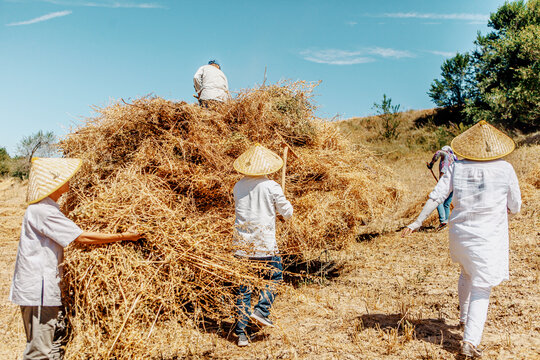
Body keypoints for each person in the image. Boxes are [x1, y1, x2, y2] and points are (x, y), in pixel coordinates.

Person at [401, 121, 521, 358]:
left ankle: (465, 320)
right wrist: (504, 209)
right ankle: (470, 341)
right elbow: (515, 206)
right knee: (482, 287)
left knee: (467, 272)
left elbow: (437, 196)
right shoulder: (505, 169)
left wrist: (416, 222)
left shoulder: (458, 167)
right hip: (487, 239)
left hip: (460, 236)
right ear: (494, 148)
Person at [9, 157, 142, 360]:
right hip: (38, 291)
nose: (69, 180)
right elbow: (82, 237)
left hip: (42, 289)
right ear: (54, 183)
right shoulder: (43, 211)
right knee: (38, 352)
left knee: (50, 346)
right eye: (64, 178)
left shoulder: (47, 209)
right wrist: (124, 236)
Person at [232, 144, 293, 347]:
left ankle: (241, 334)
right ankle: (261, 310)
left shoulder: (238, 186)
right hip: (264, 245)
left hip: (241, 246)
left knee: (244, 288)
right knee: (275, 278)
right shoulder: (272, 186)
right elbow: (287, 211)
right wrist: (282, 213)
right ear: (267, 166)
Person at [427, 145, 458, 231]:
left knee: (438, 200)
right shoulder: (455, 157)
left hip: (445, 180)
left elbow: (438, 153)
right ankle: (445, 222)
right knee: (447, 203)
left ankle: (443, 221)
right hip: (454, 180)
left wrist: (431, 163)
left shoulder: (445, 153)